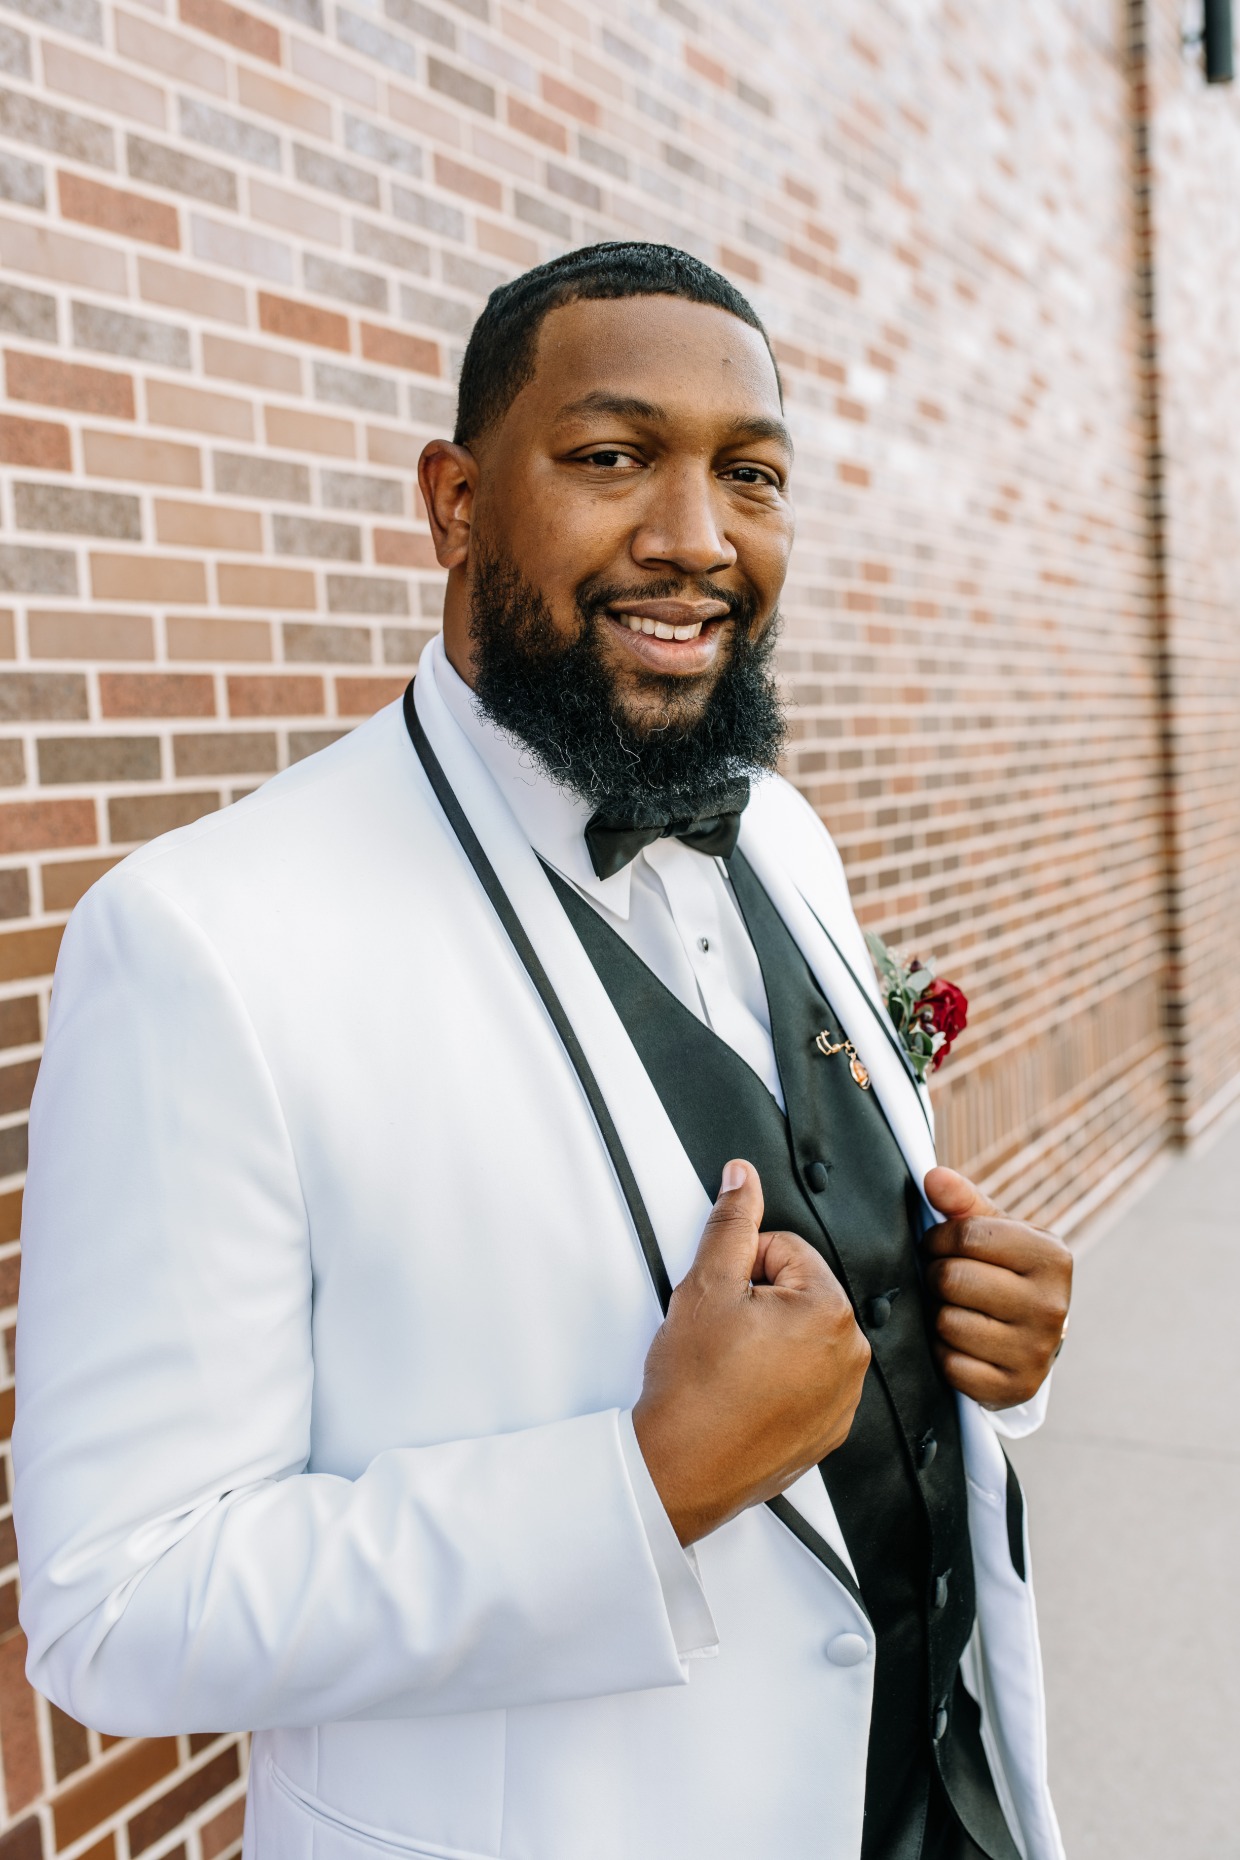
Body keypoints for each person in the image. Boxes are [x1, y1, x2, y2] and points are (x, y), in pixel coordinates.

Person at [14, 244, 1072, 1860]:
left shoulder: (781, 831)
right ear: (453, 504)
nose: (697, 539)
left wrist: (974, 1331)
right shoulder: (204, 943)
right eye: (612, 457)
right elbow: (118, 1602)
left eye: (752, 475)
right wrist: (638, 1490)